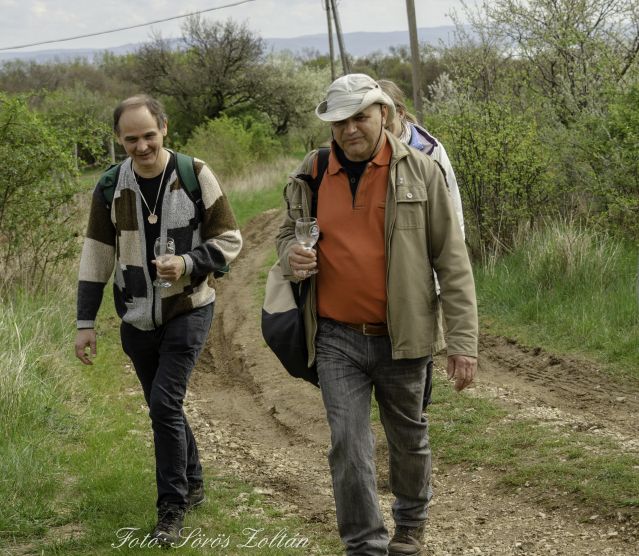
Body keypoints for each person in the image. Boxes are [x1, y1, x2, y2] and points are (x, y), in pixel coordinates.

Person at [276, 74, 478, 556]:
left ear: (383, 114)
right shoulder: (312, 170)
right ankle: (364, 543)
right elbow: (286, 233)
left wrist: (463, 343)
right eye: (340, 121)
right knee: (348, 442)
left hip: (403, 335)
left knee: (408, 435)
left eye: (360, 117)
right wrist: (290, 257)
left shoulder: (423, 171)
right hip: (335, 336)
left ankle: (410, 525)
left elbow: (452, 262)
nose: (350, 130)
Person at [74, 95, 242, 547]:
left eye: (149, 135)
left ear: (164, 128)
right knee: (161, 406)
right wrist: (84, 321)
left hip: (188, 308)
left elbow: (229, 239)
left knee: (164, 405)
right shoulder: (110, 186)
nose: (142, 145)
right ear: (119, 139)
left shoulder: (194, 174)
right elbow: (96, 255)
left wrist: (187, 263)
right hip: (134, 317)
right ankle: (194, 476)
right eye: (131, 139)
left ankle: (172, 507)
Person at [378, 79, 466, 412]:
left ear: (398, 113)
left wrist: (445, 274)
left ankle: (416, 409)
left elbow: (452, 215)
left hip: (422, 264)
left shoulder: (429, 150)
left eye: (383, 113)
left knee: (419, 337)